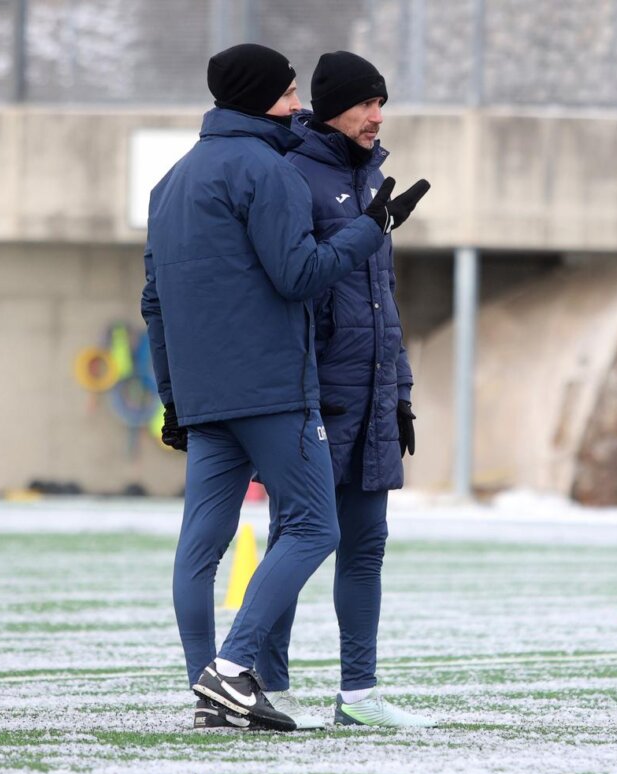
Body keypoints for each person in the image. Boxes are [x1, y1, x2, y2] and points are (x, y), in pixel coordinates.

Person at [140, 43, 430, 732]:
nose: (297, 104)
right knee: (314, 526)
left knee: (202, 544)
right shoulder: (271, 171)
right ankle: (235, 672)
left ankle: (212, 691)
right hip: (275, 385)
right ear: (261, 95)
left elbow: (155, 301)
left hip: (212, 393)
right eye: (289, 91)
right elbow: (298, 275)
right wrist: (371, 230)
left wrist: (174, 395)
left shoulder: (172, 180)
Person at [251, 51, 434, 728]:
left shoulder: (373, 179)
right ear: (331, 106)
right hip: (313, 395)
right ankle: (265, 683)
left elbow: (381, 300)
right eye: (365, 103)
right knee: (298, 539)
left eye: (382, 104)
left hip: (373, 393)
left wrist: (401, 390)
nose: (376, 116)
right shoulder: (292, 175)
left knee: (367, 543)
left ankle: (359, 694)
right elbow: (292, 282)